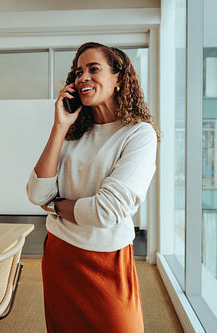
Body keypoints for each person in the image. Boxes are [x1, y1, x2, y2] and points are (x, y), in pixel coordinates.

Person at [26, 42, 159, 333]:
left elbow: (105, 212)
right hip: (60, 256)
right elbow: (36, 194)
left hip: (107, 261)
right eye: (78, 72)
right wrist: (60, 127)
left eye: (93, 69)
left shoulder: (138, 134)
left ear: (119, 78)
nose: (82, 77)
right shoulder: (72, 134)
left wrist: (56, 206)